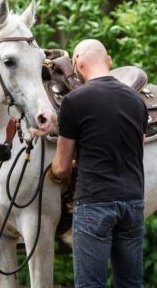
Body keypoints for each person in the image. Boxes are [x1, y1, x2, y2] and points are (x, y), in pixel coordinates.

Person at [50, 39, 148, 288]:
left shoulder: (74, 102)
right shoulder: (136, 101)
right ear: (109, 61)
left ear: (77, 63)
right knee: (131, 284)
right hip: (133, 205)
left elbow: (61, 168)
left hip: (94, 204)